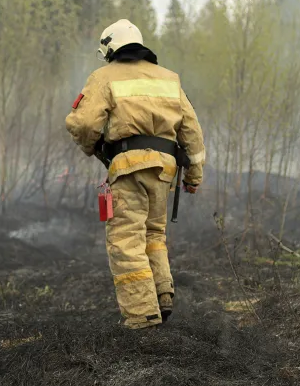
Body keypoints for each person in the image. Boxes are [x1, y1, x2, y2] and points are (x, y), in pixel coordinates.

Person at [65, 19, 205, 329]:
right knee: (153, 234)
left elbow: (84, 123)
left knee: (126, 239)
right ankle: (162, 293)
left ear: (110, 48)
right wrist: (193, 176)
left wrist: (96, 147)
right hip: (164, 170)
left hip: (129, 167)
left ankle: (142, 315)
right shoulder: (170, 79)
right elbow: (192, 132)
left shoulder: (104, 77)